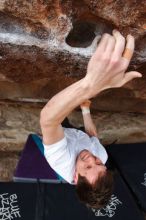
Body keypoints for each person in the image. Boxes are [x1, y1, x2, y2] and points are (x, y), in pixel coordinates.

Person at [40, 30, 142, 209]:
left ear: (76, 177)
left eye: (87, 167)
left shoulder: (60, 160)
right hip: (77, 134)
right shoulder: (100, 156)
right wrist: (85, 109)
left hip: (61, 133)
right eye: (97, 163)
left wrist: (91, 84)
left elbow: (48, 119)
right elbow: (92, 137)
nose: (91, 158)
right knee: (78, 129)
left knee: (59, 121)